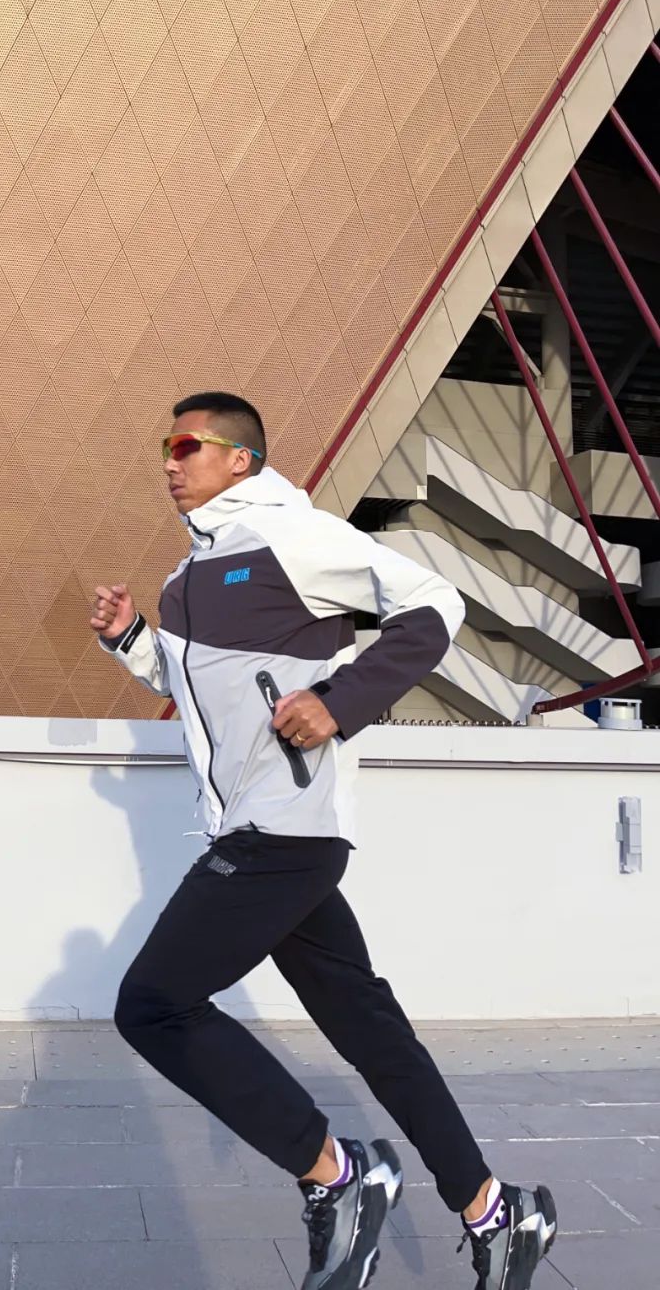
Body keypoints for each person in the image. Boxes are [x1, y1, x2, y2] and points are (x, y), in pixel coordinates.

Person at [90, 391, 557, 1290]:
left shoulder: (294, 537)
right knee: (369, 1030)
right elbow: (197, 689)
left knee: (152, 1004)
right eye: (165, 447)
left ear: (241, 458)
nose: (170, 461)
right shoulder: (188, 577)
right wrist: (132, 640)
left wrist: (340, 703)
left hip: (285, 830)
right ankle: (496, 1211)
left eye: (187, 444)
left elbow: (434, 602)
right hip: (259, 826)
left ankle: (337, 1174)